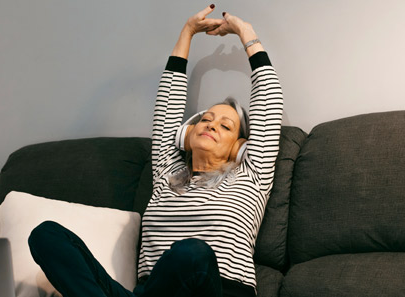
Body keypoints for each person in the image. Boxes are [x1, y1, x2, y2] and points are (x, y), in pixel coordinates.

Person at [28, 4, 283, 297]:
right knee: (46, 235)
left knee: (192, 253)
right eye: (206, 119)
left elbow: (268, 101)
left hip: (215, 291)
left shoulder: (251, 176)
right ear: (187, 133)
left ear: (239, 147)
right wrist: (187, 32)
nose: (211, 125)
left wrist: (244, 31)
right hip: (148, 292)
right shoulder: (168, 173)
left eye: (225, 127)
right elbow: (167, 105)